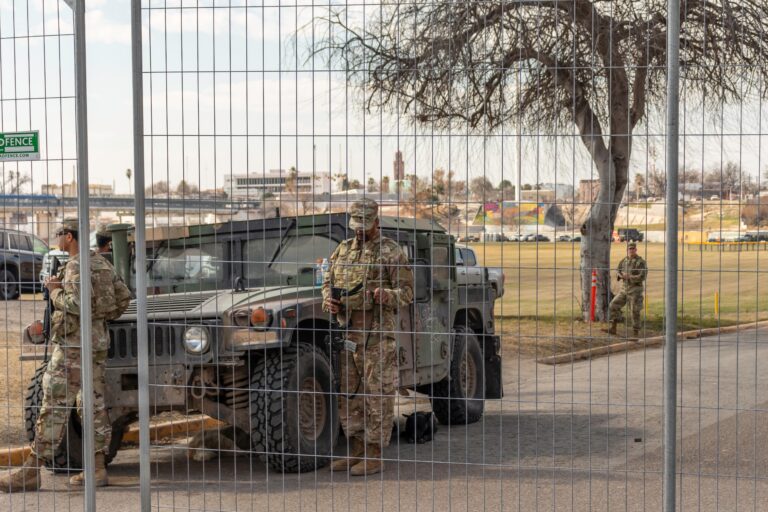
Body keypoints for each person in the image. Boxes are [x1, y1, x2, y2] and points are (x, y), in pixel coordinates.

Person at [1, 219, 131, 492]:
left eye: (60, 233)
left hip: (73, 346)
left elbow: (75, 303)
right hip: (96, 344)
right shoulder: (101, 263)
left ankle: (32, 470)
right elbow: (123, 298)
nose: (57, 238)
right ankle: (96, 469)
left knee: (54, 404)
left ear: (69, 237)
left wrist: (55, 290)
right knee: (92, 406)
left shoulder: (74, 267)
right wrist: (100, 319)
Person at [322, 198, 414, 476]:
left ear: (376, 221)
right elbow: (328, 281)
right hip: (348, 334)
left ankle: (374, 455)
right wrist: (329, 299)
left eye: (365, 224)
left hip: (377, 337)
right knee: (350, 395)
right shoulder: (343, 250)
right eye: (356, 225)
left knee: (377, 396)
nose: (360, 231)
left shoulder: (391, 252)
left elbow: (407, 293)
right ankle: (356, 451)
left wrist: (387, 295)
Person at [606, 241, 647, 337]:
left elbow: (642, 276)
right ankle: (613, 327)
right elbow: (618, 271)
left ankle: (635, 334)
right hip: (624, 289)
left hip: (635, 290)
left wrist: (630, 277)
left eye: (633, 249)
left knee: (634, 311)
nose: (631, 250)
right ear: (627, 250)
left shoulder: (640, 262)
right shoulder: (624, 260)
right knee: (613, 305)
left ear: (636, 250)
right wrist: (620, 275)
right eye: (629, 249)